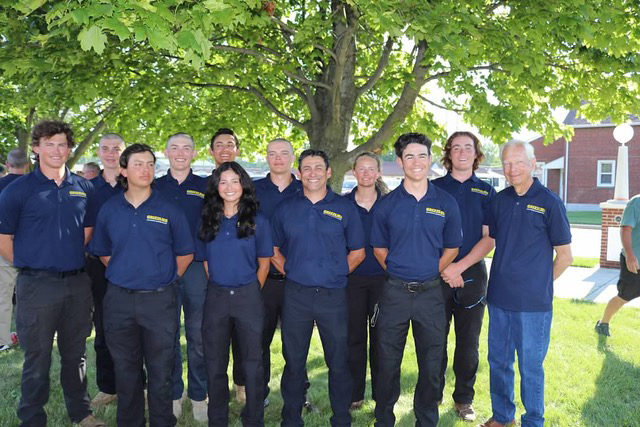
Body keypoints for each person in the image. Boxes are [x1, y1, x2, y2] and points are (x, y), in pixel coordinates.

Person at [0, 121, 104, 427]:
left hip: (77, 283)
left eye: (62, 144)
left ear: (69, 149)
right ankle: (32, 418)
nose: (56, 150)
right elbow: (3, 237)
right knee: (38, 357)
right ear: (36, 148)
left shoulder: (84, 187)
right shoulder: (18, 190)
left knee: (76, 354)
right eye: (49, 143)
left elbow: (87, 231)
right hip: (36, 285)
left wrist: (63, 256)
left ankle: (81, 413)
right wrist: (31, 261)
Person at [90, 143, 194, 427]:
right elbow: (102, 250)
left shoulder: (169, 209)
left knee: (161, 372)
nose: (145, 169)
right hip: (119, 301)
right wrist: (127, 273)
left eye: (150, 163)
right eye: (138, 163)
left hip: (159, 301)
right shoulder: (110, 209)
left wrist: (164, 277)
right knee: (126, 370)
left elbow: (185, 253)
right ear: (123, 169)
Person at [476, 140, 572, 427]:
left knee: (530, 367)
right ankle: (502, 416)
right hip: (499, 298)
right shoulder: (498, 201)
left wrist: (540, 284)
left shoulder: (549, 202)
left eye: (519, 162)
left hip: (533, 305)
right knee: (499, 363)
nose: (512, 168)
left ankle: (533, 421)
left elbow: (565, 256)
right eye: (507, 163)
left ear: (533, 164)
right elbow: (490, 240)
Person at [371, 132, 462, 427]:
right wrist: (401, 271)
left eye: (422, 155)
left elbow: (452, 248)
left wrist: (428, 271)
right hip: (394, 294)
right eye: (409, 156)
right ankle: (383, 418)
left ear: (431, 158)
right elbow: (379, 249)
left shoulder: (446, 202)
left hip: (431, 295)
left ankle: (426, 420)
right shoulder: (386, 205)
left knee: (432, 364)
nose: (416, 161)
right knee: (386, 362)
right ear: (399, 162)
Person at [271, 149, 365, 426]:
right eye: (306, 168)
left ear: (328, 172)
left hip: (332, 295)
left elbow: (358, 252)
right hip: (296, 295)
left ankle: (341, 418)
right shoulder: (285, 208)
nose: (312, 173)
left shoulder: (345, 208)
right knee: (294, 361)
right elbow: (273, 250)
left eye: (318, 168)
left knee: (338, 360)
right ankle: (291, 418)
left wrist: (335, 274)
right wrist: (293, 271)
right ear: (298, 174)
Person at [198, 161, 272, 426]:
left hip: (248, 297)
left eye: (235, 181)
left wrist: (249, 290)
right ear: (216, 187)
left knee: (252, 363)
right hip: (216, 297)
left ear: (243, 185)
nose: (229, 187)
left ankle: (253, 419)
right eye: (223, 182)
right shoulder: (209, 219)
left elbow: (265, 263)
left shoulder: (257, 221)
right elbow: (206, 261)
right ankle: (217, 419)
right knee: (215, 363)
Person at [432, 131, 496, 421]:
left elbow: (488, 238)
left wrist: (459, 267)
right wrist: (446, 267)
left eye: (467, 147)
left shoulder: (486, 191)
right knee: (434, 339)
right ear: (448, 153)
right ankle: (431, 396)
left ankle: (464, 399)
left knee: (468, 341)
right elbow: (425, 236)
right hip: (436, 274)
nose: (461, 152)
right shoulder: (432, 188)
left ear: (475, 153)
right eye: (455, 147)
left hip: (472, 276)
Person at [254, 138, 315, 410]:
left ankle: (299, 395)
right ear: (266, 157)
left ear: (293, 159)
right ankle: (259, 394)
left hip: (298, 281)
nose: (278, 158)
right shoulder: (251, 191)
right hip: (264, 279)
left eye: (284, 153)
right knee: (259, 340)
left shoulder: (308, 190)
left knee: (297, 343)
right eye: (272, 153)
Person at [155, 133, 209, 421]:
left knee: (199, 336)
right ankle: (174, 393)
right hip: (163, 269)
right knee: (167, 335)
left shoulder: (204, 186)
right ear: (166, 152)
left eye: (186, 148)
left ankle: (200, 394)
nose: (180, 153)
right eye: (174, 148)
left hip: (197, 269)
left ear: (194, 153)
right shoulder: (154, 186)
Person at [343, 152, 388, 410]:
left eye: (372, 168)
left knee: (382, 340)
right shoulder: (342, 204)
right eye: (361, 168)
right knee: (354, 338)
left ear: (378, 173)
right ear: (354, 172)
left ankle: (382, 397)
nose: (367, 173)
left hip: (383, 280)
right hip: (352, 280)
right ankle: (354, 395)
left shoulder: (391, 203)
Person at [86, 133, 126, 408]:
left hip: (133, 265)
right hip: (97, 267)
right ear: (98, 152)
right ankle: (108, 386)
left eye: (116, 149)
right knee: (102, 327)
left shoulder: (136, 184)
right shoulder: (87, 188)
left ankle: (139, 384)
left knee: (136, 328)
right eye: (106, 149)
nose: (111, 154)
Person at [208, 126, 247, 402]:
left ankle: (243, 385)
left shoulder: (246, 187)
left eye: (230, 144)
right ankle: (207, 391)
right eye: (219, 145)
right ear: (211, 152)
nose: (224, 149)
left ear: (237, 149)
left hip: (244, 280)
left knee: (244, 338)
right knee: (209, 337)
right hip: (210, 272)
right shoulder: (204, 185)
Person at [595, 194, 640, 336]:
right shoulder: (636, 202)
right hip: (635, 261)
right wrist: (630, 255)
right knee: (624, 296)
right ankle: (603, 323)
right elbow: (626, 229)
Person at [0, 148, 29, 352]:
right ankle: (30, 335)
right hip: (29, 246)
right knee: (31, 295)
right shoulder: (32, 186)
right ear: (27, 165)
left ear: (7, 165)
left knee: (3, 294)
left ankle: (3, 339)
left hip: (3, 245)